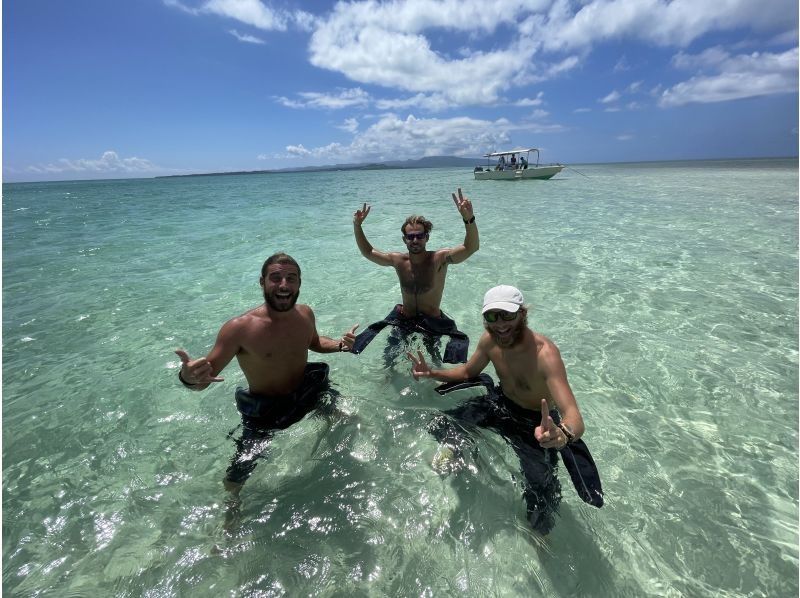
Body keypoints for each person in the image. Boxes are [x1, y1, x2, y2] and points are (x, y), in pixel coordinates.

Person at [407, 285, 603, 534]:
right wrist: (432, 373)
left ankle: (541, 537)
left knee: (541, 492)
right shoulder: (489, 341)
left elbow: (574, 416)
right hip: (501, 404)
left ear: (522, 314)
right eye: (492, 316)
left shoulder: (545, 354)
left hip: (535, 424)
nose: (500, 324)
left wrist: (562, 434)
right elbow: (468, 372)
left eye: (507, 315)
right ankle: (464, 454)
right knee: (440, 423)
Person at [175, 252, 359, 495]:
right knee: (238, 473)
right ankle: (232, 506)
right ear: (262, 282)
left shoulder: (305, 313)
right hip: (266, 410)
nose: (284, 285)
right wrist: (187, 378)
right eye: (275, 278)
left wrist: (340, 345)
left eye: (291, 278)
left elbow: (314, 342)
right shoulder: (239, 328)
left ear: (299, 283)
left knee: (350, 421)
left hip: (306, 390)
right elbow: (202, 380)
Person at [350, 189, 479, 365]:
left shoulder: (439, 259)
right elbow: (368, 252)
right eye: (411, 237)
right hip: (405, 320)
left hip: (432, 323)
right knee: (388, 361)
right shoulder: (398, 261)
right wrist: (357, 225)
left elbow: (471, 247)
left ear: (427, 237)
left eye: (420, 236)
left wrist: (468, 219)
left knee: (435, 362)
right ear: (404, 240)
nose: (415, 240)